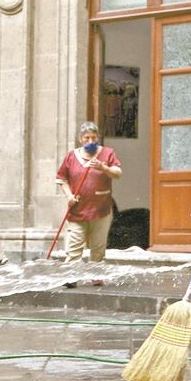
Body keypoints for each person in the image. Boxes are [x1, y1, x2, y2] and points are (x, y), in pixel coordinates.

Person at [56, 122, 121, 287]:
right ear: (80, 139)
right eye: (87, 138)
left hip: (101, 209)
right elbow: (62, 179)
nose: (91, 141)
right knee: (74, 245)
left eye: (94, 137)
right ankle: (70, 277)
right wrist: (69, 195)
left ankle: (96, 274)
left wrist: (103, 167)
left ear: (98, 138)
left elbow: (117, 173)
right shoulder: (71, 156)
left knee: (98, 246)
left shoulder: (107, 153)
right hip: (77, 210)